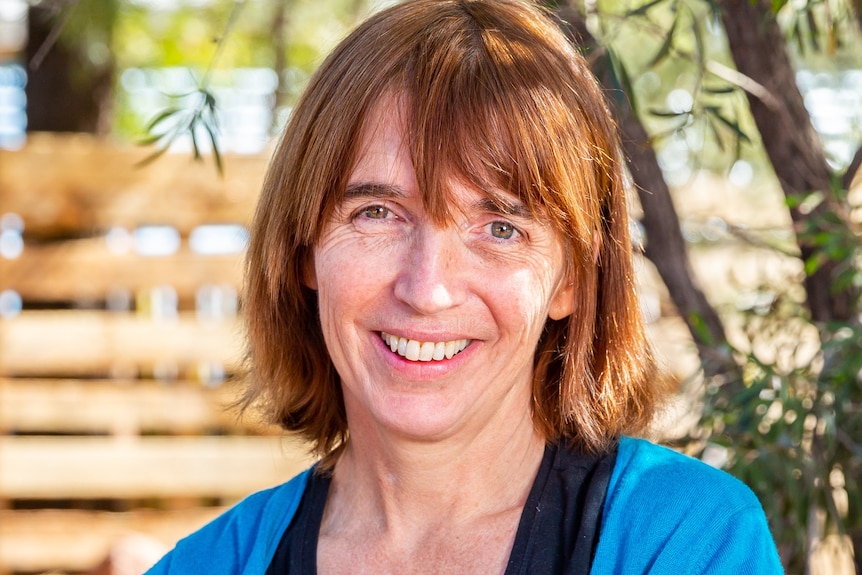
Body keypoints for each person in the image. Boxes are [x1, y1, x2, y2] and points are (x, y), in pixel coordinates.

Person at [146, 0, 783, 573]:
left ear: (573, 281)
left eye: (500, 227)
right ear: (303, 249)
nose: (428, 290)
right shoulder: (208, 563)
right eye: (378, 213)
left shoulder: (684, 540)